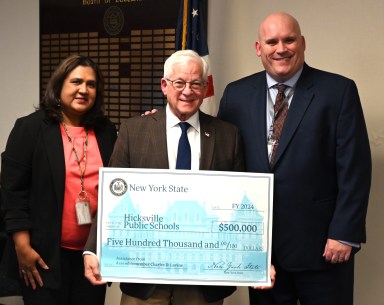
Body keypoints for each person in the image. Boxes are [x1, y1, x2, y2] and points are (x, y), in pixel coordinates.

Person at [83, 49, 260, 305]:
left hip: (204, 278)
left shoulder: (228, 136)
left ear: (204, 87)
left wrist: (255, 260)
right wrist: (93, 248)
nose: (187, 91)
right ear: (165, 86)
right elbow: (113, 196)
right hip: (145, 278)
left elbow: (239, 204)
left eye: (196, 83)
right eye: (179, 83)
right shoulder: (134, 131)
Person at [218, 12, 372, 305]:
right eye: (271, 41)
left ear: (302, 42)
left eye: (289, 40)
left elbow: (355, 168)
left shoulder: (338, 91)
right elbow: (218, 154)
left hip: (324, 249)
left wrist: (344, 233)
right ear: (258, 48)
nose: (281, 49)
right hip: (261, 253)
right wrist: (162, 120)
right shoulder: (235, 95)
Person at [0, 55, 117, 305]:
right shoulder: (30, 129)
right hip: (42, 255)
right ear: (59, 85)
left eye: (91, 84)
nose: (83, 90)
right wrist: (22, 247)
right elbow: (13, 192)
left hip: (91, 255)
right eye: (76, 81)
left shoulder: (107, 131)